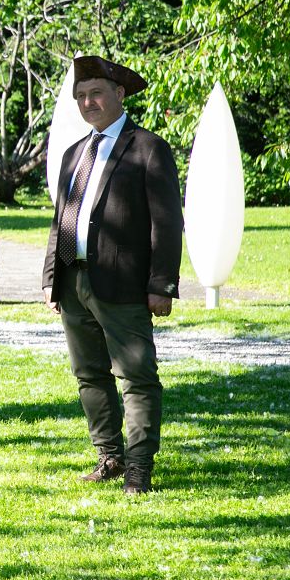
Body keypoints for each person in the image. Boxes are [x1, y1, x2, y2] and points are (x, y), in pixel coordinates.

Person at [42, 55, 183, 495]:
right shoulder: (73, 153)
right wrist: (51, 277)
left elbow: (167, 223)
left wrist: (162, 285)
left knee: (137, 377)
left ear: (119, 94)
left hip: (124, 284)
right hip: (73, 282)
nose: (88, 102)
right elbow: (61, 219)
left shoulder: (148, 148)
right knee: (89, 374)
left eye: (96, 94)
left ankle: (139, 467)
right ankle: (110, 457)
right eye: (81, 96)